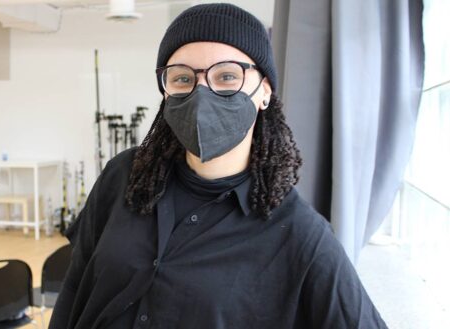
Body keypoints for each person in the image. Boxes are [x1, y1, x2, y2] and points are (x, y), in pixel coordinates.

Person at [49, 3, 388, 329]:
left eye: (227, 76)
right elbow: (76, 289)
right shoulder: (123, 175)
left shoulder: (301, 235)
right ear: (166, 91)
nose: (202, 93)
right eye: (182, 78)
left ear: (264, 91)